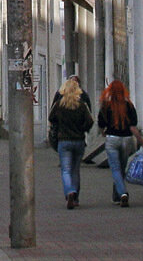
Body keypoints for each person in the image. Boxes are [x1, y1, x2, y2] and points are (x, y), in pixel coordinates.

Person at [98, 80, 143, 208]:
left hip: (112, 139)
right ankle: (117, 196)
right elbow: (133, 127)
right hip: (127, 140)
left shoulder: (106, 106)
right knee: (121, 168)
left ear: (110, 91)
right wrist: (141, 140)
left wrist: (104, 131)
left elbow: (101, 124)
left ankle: (123, 193)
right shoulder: (129, 106)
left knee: (115, 169)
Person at [48, 77, 93, 209]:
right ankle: (76, 197)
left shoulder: (59, 105)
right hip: (78, 140)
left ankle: (69, 192)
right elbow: (90, 122)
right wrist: (82, 129)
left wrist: (58, 127)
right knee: (75, 170)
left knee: (66, 170)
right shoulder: (82, 105)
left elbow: (51, 118)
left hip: (64, 141)